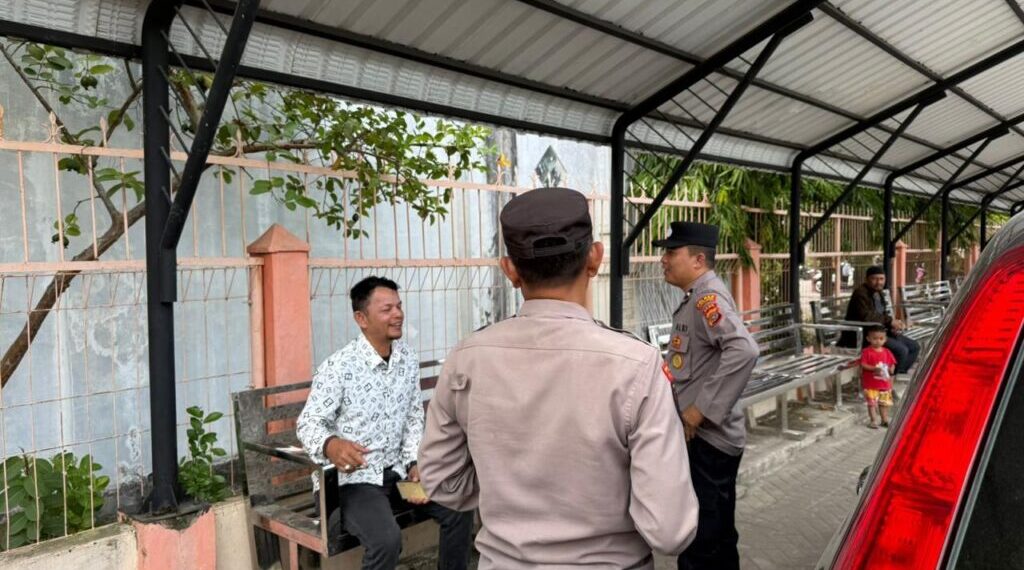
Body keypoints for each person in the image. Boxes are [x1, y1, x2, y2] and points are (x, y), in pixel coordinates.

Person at [418, 187, 698, 569]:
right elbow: (670, 530)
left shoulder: (466, 359)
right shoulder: (636, 365)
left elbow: (442, 481)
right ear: (595, 258)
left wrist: (508, 490)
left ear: (510, 270)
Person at [296, 276, 473, 570]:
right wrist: (331, 445)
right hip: (353, 482)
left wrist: (415, 462)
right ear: (361, 318)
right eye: (387, 309)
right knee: (386, 541)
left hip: (398, 475)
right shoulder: (338, 367)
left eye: (399, 306)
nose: (398, 314)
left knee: (458, 505)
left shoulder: (406, 359)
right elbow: (308, 423)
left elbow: (413, 417)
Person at [656, 221, 760, 570]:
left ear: (698, 260)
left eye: (672, 252)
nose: (663, 259)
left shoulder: (707, 298)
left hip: (708, 441)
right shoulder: (698, 296)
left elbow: (744, 350)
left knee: (701, 542)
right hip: (706, 441)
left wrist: (698, 411)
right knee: (717, 537)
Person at [839, 266, 920, 374]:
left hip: (880, 332)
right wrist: (890, 322)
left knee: (914, 347)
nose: (879, 282)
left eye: (881, 279)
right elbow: (867, 316)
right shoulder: (860, 294)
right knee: (902, 350)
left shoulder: (878, 293)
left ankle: (895, 373)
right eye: (874, 279)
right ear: (867, 279)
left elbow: (882, 314)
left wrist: (892, 326)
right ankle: (889, 377)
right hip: (865, 336)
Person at [860, 324, 897, 429]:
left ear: (885, 339)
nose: (878, 341)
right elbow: (863, 364)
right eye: (875, 338)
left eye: (881, 339)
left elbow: (892, 363)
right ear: (868, 339)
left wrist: (891, 369)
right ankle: (873, 420)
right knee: (872, 403)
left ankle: (884, 420)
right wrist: (874, 368)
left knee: (884, 403)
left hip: (884, 384)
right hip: (871, 384)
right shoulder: (866, 352)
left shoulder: (887, 352)